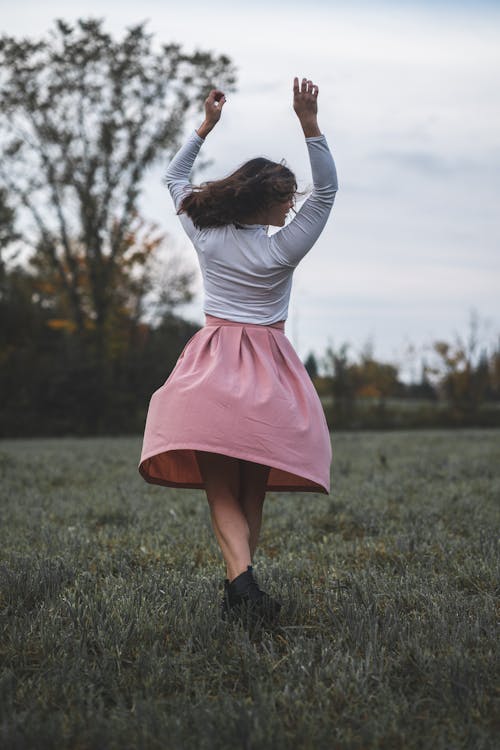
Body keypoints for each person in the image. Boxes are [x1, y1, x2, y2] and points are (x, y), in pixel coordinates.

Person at [139, 77, 338, 626]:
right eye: (284, 198)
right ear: (263, 200)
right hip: (268, 375)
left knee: (222, 484)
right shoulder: (282, 250)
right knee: (253, 484)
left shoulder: (205, 233)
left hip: (209, 370)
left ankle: (240, 586)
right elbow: (327, 194)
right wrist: (310, 124)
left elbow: (175, 176)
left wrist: (205, 127)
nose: (292, 205)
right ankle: (241, 588)